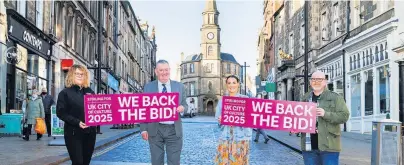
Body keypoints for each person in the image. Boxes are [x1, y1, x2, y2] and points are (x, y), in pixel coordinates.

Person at [140, 60, 187, 165]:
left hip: (174, 130)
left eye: (166, 70)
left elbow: (185, 105)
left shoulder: (179, 86)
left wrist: (182, 108)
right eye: (161, 70)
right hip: (155, 130)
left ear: (169, 70)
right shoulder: (148, 87)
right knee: (156, 161)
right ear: (156, 71)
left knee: (174, 162)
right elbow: (143, 109)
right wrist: (143, 129)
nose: (164, 72)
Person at [298, 71, 349, 165]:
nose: (316, 82)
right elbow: (299, 119)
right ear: (310, 82)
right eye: (313, 79)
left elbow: (344, 116)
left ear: (325, 82)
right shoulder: (305, 98)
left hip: (329, 147)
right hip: (309, 147)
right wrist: (295, 128)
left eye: (319, 79)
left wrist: (325, 114)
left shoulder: (335, 97)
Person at [56, 64, 96, 165]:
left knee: (86, 162)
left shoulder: (90, 92)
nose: (80, 76)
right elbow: (61, 113)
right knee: (78, 162)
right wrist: (77, 122)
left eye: (82, 74)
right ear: (71, 75)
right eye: (77, 73)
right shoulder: (64, 93)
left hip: (90, 133)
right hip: (73, 133)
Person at [215, 75, 252, 165]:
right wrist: (220, 120)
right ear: (226, 85)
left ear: (238, 84)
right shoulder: (222, 100)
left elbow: (250, 118)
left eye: (234, 83)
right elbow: (218, 120)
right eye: (229, 83)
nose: (231, 85)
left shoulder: (245, 99)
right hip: (225, 138)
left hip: (241, 138)